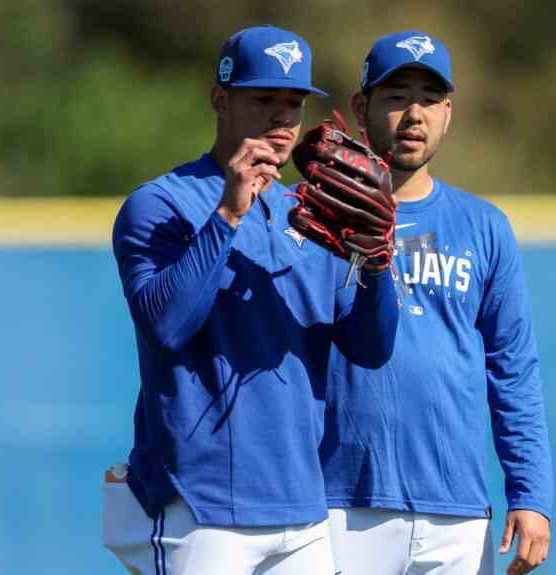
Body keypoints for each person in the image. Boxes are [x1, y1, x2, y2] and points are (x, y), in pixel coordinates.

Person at [102, 25, 399, 575]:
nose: (282, 118)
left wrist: (377, 265)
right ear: (220, 99)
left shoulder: (314, 213)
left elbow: (370, 347)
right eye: (263, 98)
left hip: (303, 507)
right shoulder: (159, 203)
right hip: (202, 504)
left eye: (294, 103)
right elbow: (166, 326)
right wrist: (228, 215)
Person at [319, 30, 553, 575]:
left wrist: (531, 494)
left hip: (456, 510)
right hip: (339, 501)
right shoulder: (316, 216)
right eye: (396, 96)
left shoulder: (484, 226)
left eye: (428, 99)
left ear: (448, 113)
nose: (413, 115)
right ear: (362, 107)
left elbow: (513, 370)